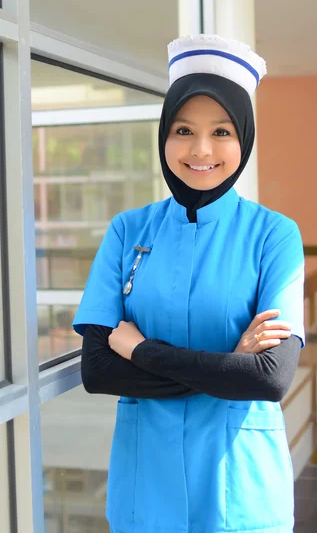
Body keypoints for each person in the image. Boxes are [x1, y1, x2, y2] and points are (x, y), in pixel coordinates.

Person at [73, 34, 305, 533]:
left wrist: (140, 351)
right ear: (164, 136)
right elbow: (97, 370)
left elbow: (268, 378)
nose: (201, 150)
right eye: (183, 130)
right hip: (145, 487)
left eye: (221, 131)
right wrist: (229, 365)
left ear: (243, 138)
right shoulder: (127, 232)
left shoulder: (275, 236)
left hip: (238, 487)